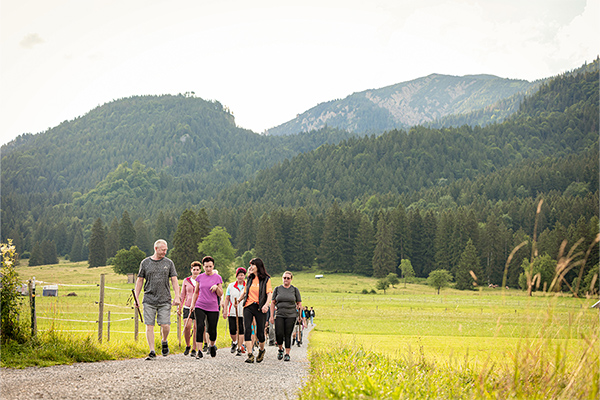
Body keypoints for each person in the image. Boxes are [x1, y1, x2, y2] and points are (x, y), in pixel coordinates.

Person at [134, 239, 180, 360]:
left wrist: (177, 296)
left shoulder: (169, 263)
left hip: (164, 299)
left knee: (165, 325)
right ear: (156, 249)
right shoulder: (145, 263)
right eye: (163, 250)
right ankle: (152, 351)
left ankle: (164, 340)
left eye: (166, 250)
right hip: (149, 299)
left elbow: (174, 280)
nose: (165, 252)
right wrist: (137, 298)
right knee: (149, 325)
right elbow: (139, 280)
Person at [236, 258, 272, 364]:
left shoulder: (266, 279)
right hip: (248, 306)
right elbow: (245, 292)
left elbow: (269, 294)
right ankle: (250, 354)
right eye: (250, 265)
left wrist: (266, 305)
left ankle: (261, 350)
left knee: (260, 332)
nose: (251, 267)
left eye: (253, 265)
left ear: (258, 266)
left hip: (260, 307)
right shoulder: (250, 278)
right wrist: (238, 300)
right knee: (247, 328)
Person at [190, 256, 223, 358]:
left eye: (210, 266)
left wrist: (216, 287)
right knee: (199, 326)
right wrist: (192, 304)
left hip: (213, 307)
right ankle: (199, 351)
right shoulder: (199, 277)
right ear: (203, 267)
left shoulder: (218, 278)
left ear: (213, 266)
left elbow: (221, 293)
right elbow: (196, 292)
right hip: (200, 305)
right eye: (206, 266)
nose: (208, 269)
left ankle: (212, 345)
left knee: (212, 329)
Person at [270, 271, 302, 362]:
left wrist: (299, 316)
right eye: (284, 278)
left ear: (291, 279)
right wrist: (271, 316)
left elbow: (299, 303)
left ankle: (287, 354)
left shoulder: (295, 290)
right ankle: (280, 349)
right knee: (279, 333)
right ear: (282, 278)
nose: (286, 280)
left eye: (288, 278)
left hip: (291, 315)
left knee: (288, 334)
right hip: (279, 314)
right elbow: (273, 303)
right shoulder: (277, 289)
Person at [177, 261, 201, 357]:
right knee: (187, 326)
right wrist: (180, 306)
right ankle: (188, 345)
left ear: (200, 270)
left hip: (199, 307)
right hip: (187, 306)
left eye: (197, 270)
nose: (195, 271)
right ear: (191, 270)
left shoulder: (202, 280)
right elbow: (183, 295)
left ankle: (194, 349)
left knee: (196, 328)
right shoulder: (186, 280)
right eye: (194, 269)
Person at [223, 267, 246, 356]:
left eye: (242, 275)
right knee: (232, 330)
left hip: (243, 312)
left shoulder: (247, 286)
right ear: (236, 276)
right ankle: (235, 342)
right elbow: (227, 298)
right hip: (232, 311)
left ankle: (239, 348)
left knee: (241, 330)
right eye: (239, 275)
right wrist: (225, 309)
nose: (241, 277)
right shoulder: (231, 286)